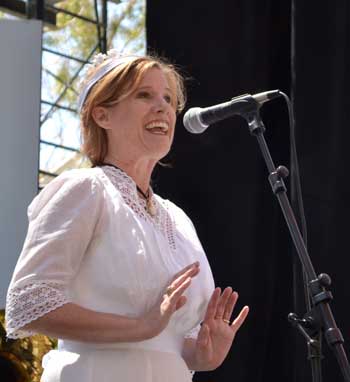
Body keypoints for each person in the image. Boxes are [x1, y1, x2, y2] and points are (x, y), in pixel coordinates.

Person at [5, 50, 249, 382]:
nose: (163, 107)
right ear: (102, 115)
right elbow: (29, 304)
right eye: (144, 95)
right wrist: (140, 327)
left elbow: (171, 341)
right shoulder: (85, 189)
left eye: (168, 98)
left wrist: (203, 354)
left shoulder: (178, 219)